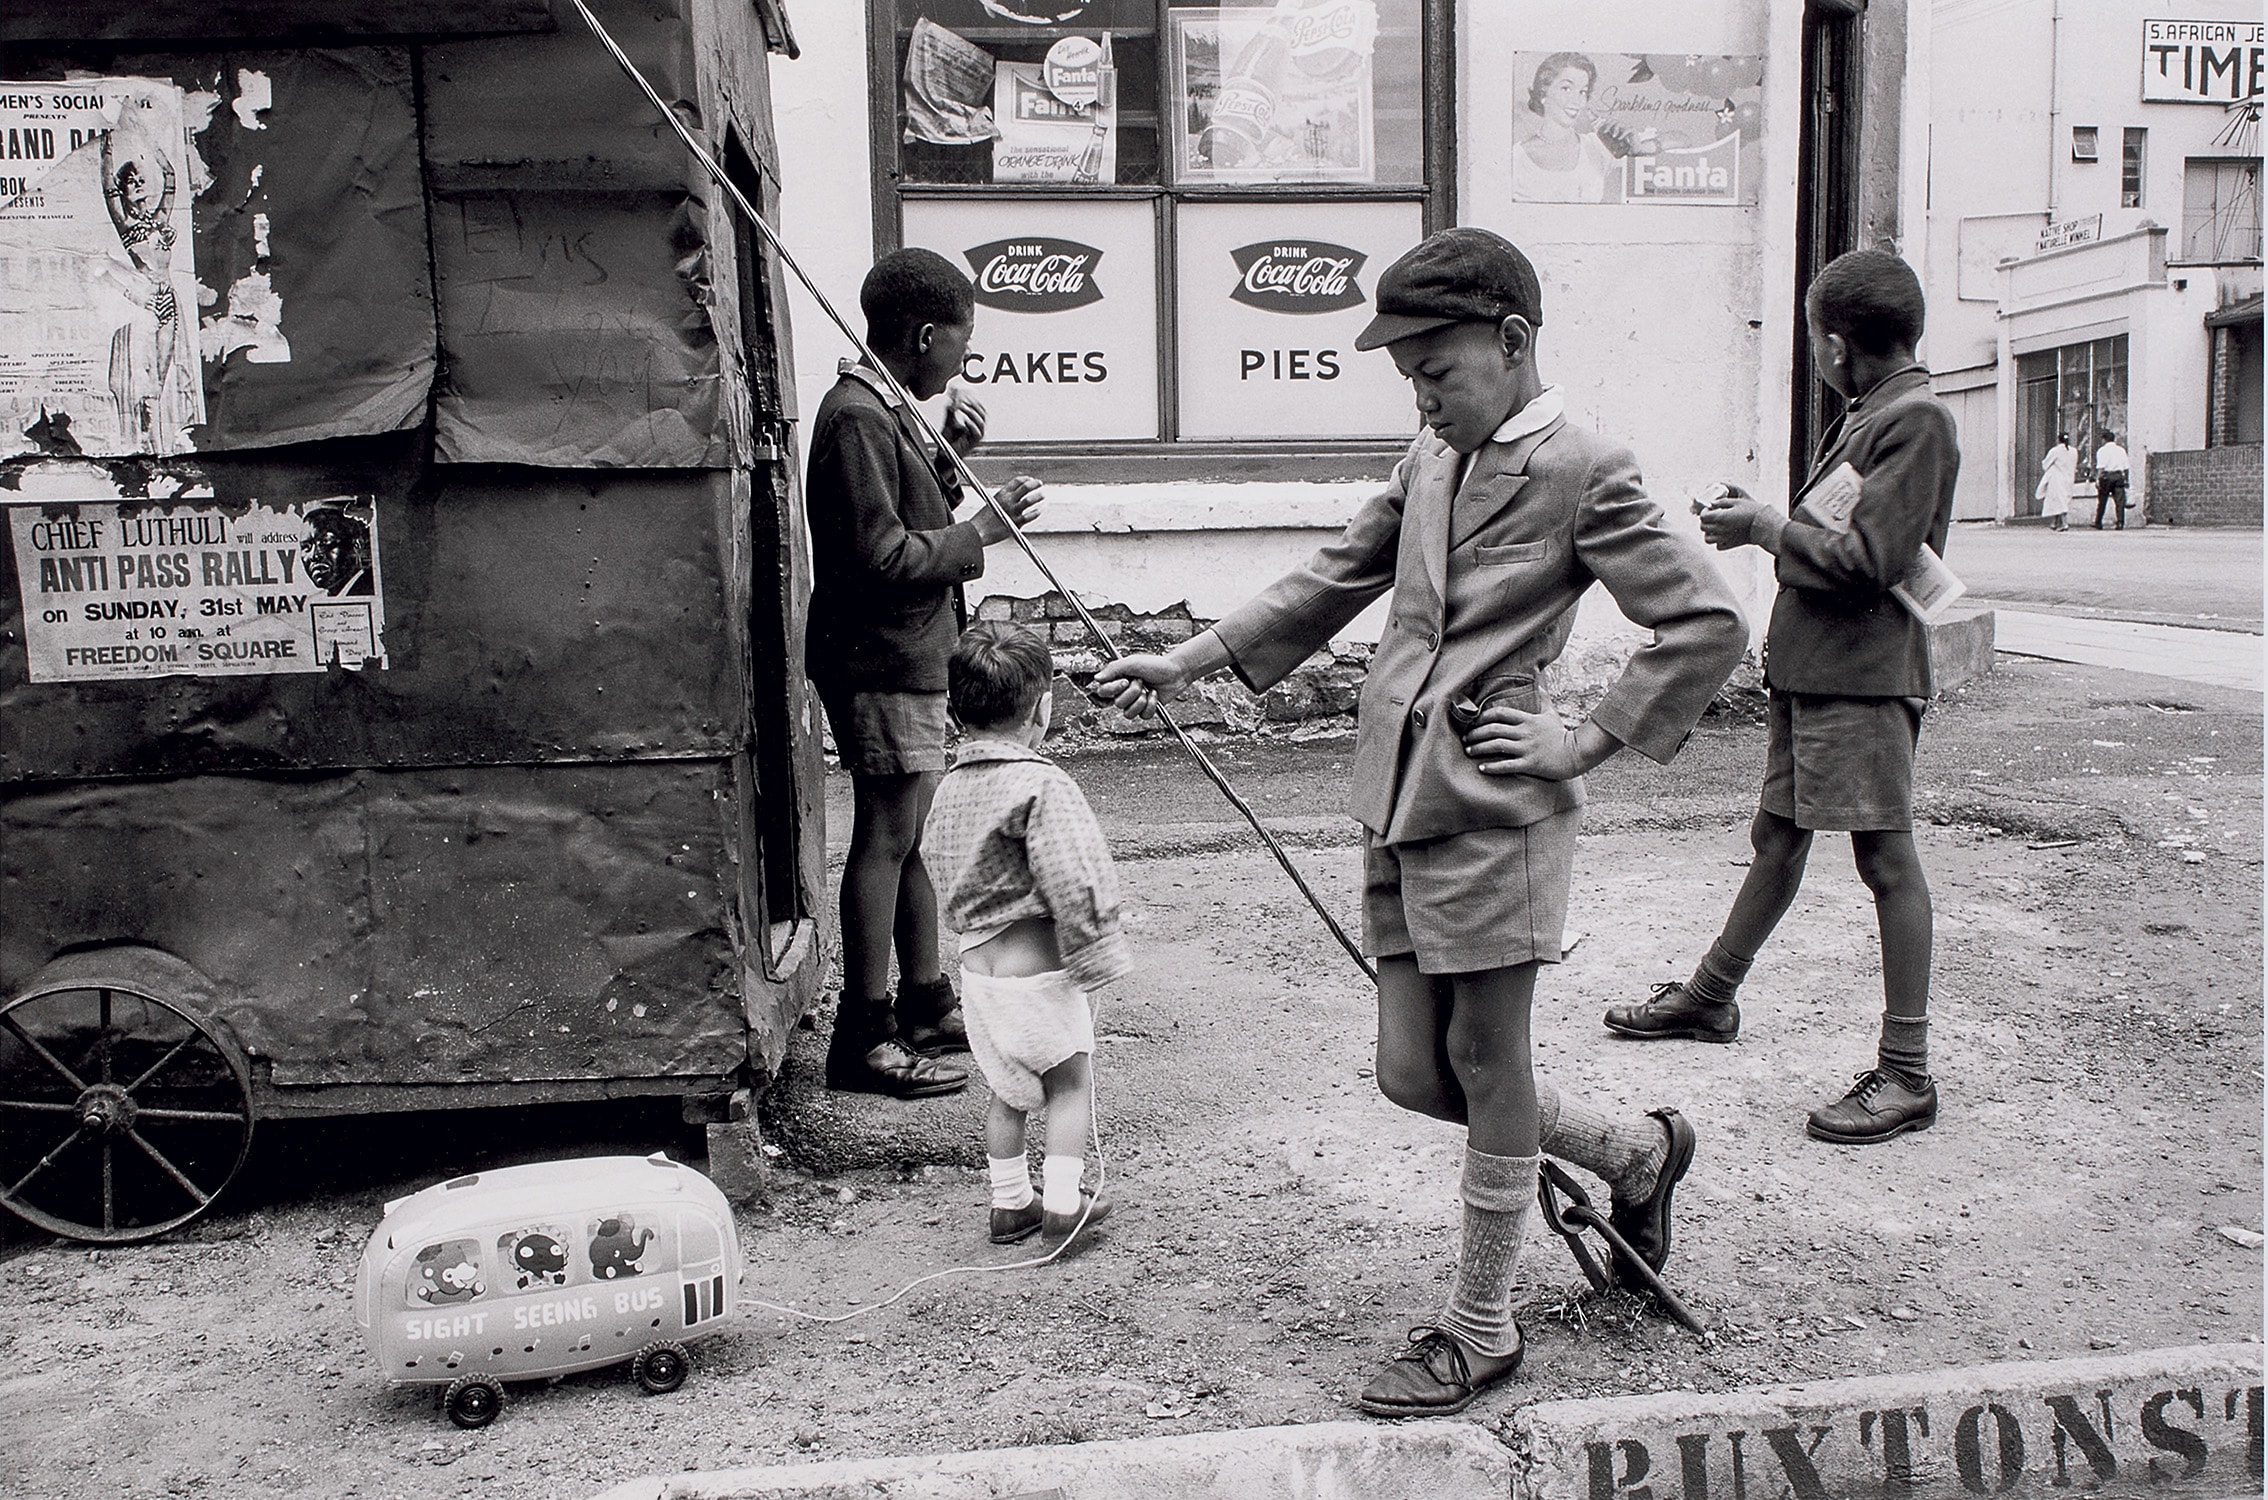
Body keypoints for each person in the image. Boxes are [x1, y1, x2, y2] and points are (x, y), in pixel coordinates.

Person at [1095, 228, 1746, 1416]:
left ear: (1513, 340)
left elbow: (1705, 620)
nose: (1423, 398)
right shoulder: (1431, 456)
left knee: (1491, 1061)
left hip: (1499, 808)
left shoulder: (1588, 466)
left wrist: (1584, 739)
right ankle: (1639, 1152)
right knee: (1413, 1072)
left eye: (1437, 371)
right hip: (1396, 799)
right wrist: (1192, 659)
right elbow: (1336, 573)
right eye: (1409, 378)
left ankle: (1481, 1325)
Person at [1606, 250, 1961, 1150]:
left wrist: (1765, 526)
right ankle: (1710, 998)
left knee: (1885, 860)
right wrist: (1767, 520)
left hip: (1863, 680)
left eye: (1815, 341)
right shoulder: (1874, 411)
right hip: (1819, 673)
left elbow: (1871, 561)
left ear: (1836, 346)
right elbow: (1845, 531)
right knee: (1778, 837)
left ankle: (1908, 1074)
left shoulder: (1916, 421)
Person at [806, 248, 1044, 1099]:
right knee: (885, 838)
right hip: (880, 659)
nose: (966, 356)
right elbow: (877, 556)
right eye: (963, 339)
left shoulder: (886, 408)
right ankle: (864, 1035)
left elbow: (904, 512)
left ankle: (923, 1002)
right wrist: (981, 532)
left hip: (907, 655)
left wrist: (949, 458)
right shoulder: (857, 417)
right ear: (924, 335)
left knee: (911, 838)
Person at [924, 622, 1125, 1244]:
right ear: (1042, 710)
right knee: (1070, 1084)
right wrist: (1098, 948)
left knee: (1007, 1091)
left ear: (954, 712)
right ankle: (1063, 1204)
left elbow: (934, 859)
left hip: (979, 973)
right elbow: (1074, 872)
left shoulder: (949, 788)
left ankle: (1010, 1203)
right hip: (1036, 971)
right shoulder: (1043, 784)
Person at [1510, 54, 1625, 204]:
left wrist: (1639, 147)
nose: (1577, 101)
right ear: (1543, 93)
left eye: (1582, 92)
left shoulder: (1597, 147)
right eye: (1566, 88)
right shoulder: (1517, 159)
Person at [2036, 434, 2075, 532]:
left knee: (2059, 500)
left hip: (2057, 479)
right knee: (2061, 500)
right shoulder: (2073, 451)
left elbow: (2046, 464)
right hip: (2069, 478)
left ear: (2058, 440)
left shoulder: (2055, 451)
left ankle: (2064, 523)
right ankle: (2054, 522)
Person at [2093, 430, 2131, 529]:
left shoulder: (2102, 451)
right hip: (2118, 476)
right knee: (2119, 502)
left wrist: (2097, 479)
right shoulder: (2121, 450)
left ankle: (2098, 522)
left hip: (2106, 477)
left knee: (2102, 500)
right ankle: (2120, 522)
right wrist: (2126, 480)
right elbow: (2126, 467)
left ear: (2104, 440)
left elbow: (2101, 467)